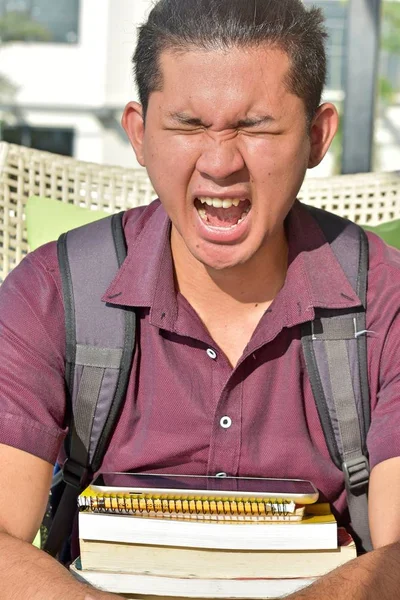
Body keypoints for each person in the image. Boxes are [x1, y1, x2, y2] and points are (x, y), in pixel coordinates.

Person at [1, 0, 400, 598]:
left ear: (317, 137)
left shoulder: (384, 301)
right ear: (137, 134)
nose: (220, 164)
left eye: (257, 127)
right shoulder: (51, 292)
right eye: (188, 126)